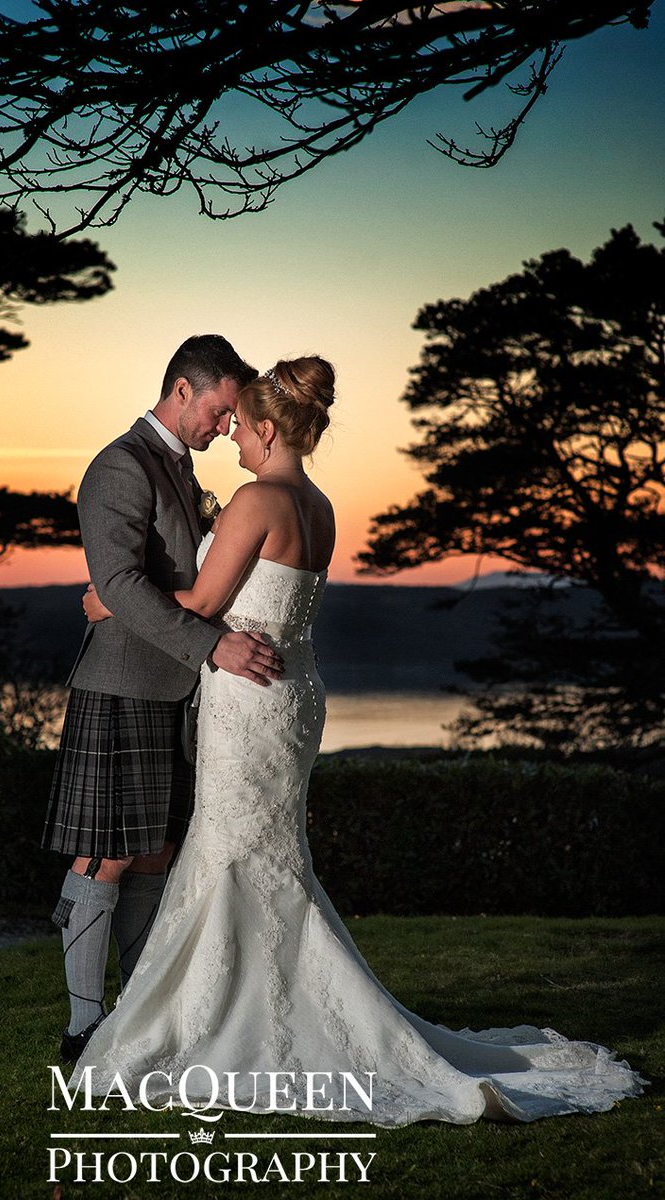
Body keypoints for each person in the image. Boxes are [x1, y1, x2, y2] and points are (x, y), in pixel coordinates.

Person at [69, 355, 646, 1124]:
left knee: (234, 851)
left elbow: (208, 600)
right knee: (264, 857)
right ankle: (235, 1000)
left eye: (241, 426)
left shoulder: (254, 499)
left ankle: (213, 1015)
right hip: (295, 694)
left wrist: (109, 601)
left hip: (248, 695)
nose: (232, 436)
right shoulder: (320, 503)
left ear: (269, 429)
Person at [41, 334, 284, 1066]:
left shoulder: (178, 466)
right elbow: (115, 587)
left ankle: (138, 1010)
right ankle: (83, 1028)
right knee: (104, 857)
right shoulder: (121, 465)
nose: (221, 427)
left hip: (173, 688)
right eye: (217, 411)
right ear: (183, 389)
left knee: (155, 854)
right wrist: (212, 644)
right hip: (123, 684)